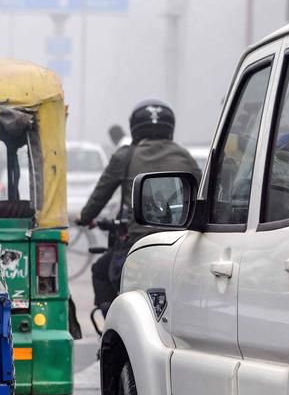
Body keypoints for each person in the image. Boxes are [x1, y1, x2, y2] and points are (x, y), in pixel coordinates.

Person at [76, 99, 199, 315]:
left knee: (101, 271)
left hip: (136, 244)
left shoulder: (125, 155)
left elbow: (99, 197)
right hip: (182, 244)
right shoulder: (184, 156)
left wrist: (84, 218)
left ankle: (111, 329)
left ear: (134, 128)